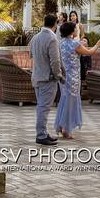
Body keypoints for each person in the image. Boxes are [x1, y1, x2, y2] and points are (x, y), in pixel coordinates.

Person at [54, 22, 100, 139]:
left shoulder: (61, 43)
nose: (77, 31)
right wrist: (98, 44)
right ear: (72, 32)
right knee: (71, 101)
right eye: (75, 29)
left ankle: (61, 125)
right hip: (73, 77)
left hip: (64, 76)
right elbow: (89, 53)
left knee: (64, 100)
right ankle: (66, 128)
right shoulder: (74, 43)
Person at [30, 14, 63, 145]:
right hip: (47, 79)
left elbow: (31, 55)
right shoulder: (52, 38)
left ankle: (43, 132)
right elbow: (55, 60)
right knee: (44, 108)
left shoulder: (35, 38)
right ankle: (41, 135)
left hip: (36, 76)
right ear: (55, 24)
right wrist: (58, 75)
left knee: (41, 107)